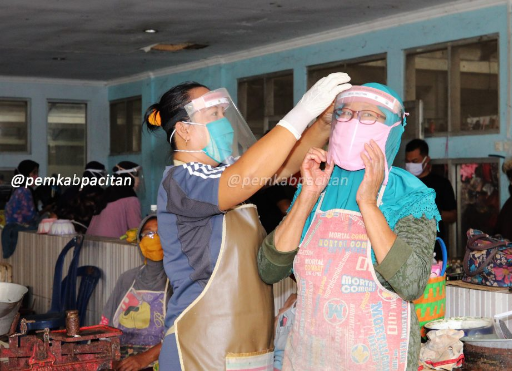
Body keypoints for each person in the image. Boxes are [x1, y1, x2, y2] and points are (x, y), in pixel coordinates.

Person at [146, 74, 351, 370]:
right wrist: (302, 111)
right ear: (184, 130)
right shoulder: (181, 182)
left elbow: (281, 166)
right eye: (213, 114)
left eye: (222, 113)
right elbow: (247, 176)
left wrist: (323, 122)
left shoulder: (228, 173)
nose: (223, 122)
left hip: (251, 345)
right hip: (200, 346)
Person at [258, 83, 441, 370]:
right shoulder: (318, 183)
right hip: (310, 356)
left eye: (369, 116)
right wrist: (307, 195)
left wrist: (368, 203)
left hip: (378, 357)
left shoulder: (409, 195)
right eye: (345, 114)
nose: (354, 122)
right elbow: (270, 269)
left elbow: (412, 283)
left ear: (393, 128)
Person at [100, 214, 169, 371]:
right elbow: (106, 325)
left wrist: (144, 359)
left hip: (158, 362)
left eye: (161, 233)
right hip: (121, 361)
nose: (155, 238)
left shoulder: (177, 282)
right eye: (149, 233)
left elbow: (181, 333)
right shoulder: (128, 278)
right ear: (140, 241)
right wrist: (109, 359)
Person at [405, 139, 457, 248]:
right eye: (407, 161)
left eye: (414, 161)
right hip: (406, 244)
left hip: (434, 246)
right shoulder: (403, 184)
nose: (410, 165)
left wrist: (433, 212)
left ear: (426, 160)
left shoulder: (441, 184)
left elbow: (453, 216)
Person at [86, 161, 141, 238]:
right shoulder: (131, 199)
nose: (139, 179)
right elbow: (136, 231)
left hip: (91, 243)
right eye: (136, 174)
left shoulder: (107, 192)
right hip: (112, 246)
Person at [56, 161, 106, 230]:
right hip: (87, 234)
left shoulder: (71, 190)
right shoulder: (99, 193)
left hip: (65, 231)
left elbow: (57, 210)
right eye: (103, 175)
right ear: (97, 176)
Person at [5, 160, 40, 225]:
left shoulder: (16, 189)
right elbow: (30, 217)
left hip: (12, 231)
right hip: (21, 232)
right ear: (26, 173)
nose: (37, 176)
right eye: (34, 173)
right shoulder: (25, 191)